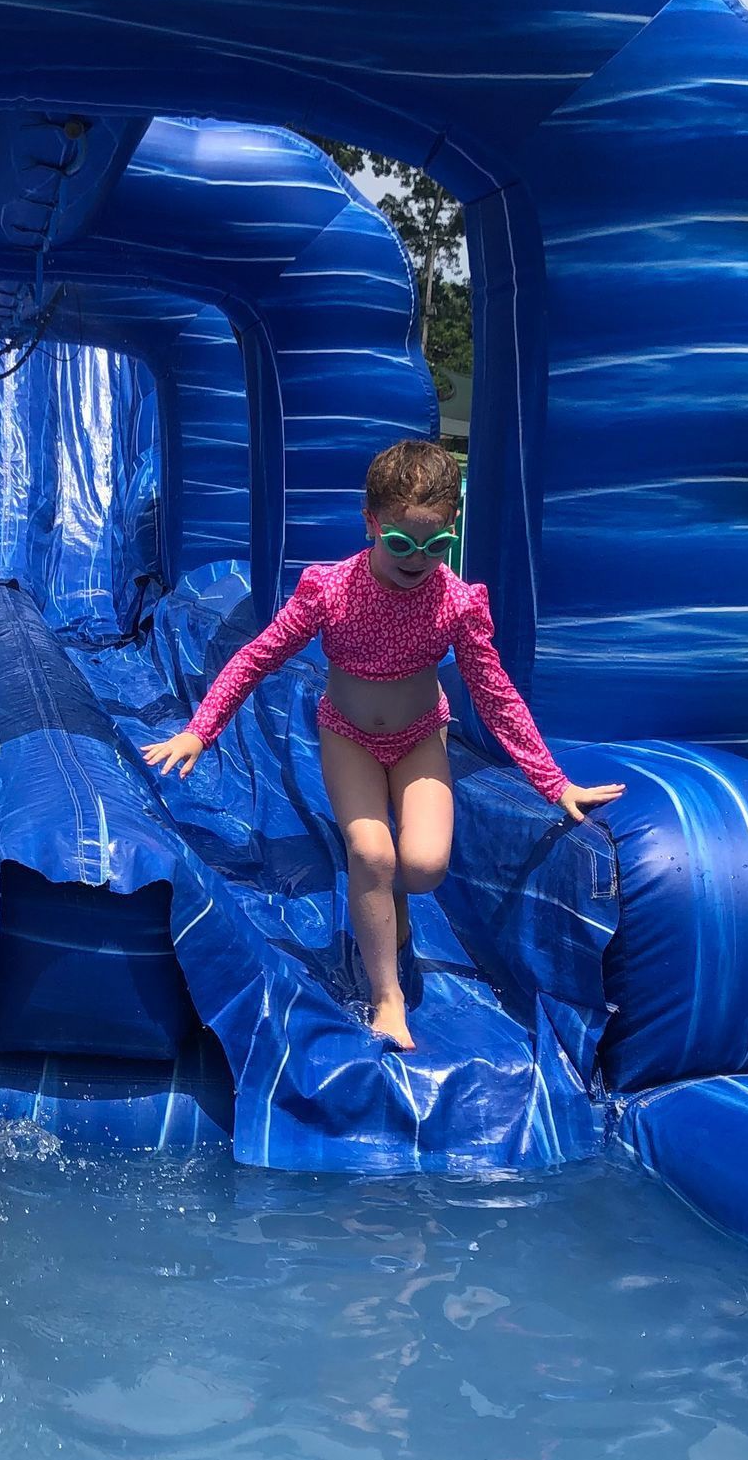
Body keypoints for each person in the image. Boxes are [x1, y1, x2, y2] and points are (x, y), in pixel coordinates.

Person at [142, 438, 623, 1051]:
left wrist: (554, 783)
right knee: (370, 852)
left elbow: (496, 695)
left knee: (420, 868)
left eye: (435, 545)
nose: (417, 559)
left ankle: (389, 905)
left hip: (421, 737)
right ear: (370, 523)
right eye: (400, 542)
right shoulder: (331, 590)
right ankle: (387, 997)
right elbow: (258, 657)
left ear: (453, 527)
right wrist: (200, 728)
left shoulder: (455, 602)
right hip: (349, 738)